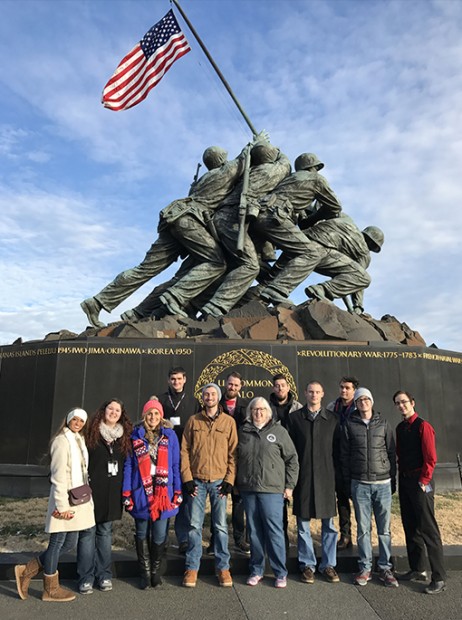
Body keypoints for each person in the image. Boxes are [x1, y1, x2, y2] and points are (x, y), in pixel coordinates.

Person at [80, 143, 248, 327]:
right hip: (190, 221)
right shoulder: (222, 173)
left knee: (145, 269)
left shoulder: (200, 182)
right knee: (216, 262)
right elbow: (243, 160)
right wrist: (255, 143)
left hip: (173, 218)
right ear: (221, 160)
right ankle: (176, 297)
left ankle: (97, 302)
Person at [15, 408, 95, 602]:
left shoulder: (79, 440)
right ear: (67, 420)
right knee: (58, 542)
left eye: (81, 421)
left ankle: (27, 570)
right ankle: (50, 589)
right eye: (74, 419)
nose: (77, 423)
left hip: (77, 501)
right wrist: (62, 507)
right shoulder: (61, 441)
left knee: (69, 543)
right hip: (64, 500)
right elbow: (59, 476)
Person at [251, 153, 342, 305]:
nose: (317, 171)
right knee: (311, 253)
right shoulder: (316, 179)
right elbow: (335, 206)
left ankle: (261, 288)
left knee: (252, 261)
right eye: (316, 168)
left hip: (257, 215)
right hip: (274, 217)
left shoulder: (289, 179)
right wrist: (313, 219)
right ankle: (276, 290)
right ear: (312, 167)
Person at [236, 397, 299, 588]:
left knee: (274, 532)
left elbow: (292, 460)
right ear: (250, 412)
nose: (258, 412)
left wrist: (289, 486)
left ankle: (280, 572)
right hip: (249, 489)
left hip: (272, 490)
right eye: (255, 409)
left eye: (262, 409)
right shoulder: (243, 431)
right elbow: (235, 457)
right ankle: (256, 570)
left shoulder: (279, 432)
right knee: (254, 532)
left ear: (268, 412)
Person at [181, 383, 238, 588]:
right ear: (203, 398)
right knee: (194, 526)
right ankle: (192, 567)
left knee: (221, 526)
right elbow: (184, 450)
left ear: (218, 397)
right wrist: (187, 478)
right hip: (196, 481)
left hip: (219, 482)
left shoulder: (228, 422)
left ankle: (223, 568)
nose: (210, 397)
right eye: (206, 394)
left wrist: (229, 481)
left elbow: (233, 454)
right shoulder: (193, 420)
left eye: (213, 394)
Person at [122, 399, 182, 589]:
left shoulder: (170, 435)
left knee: (159, 534)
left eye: (156, 414)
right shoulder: (135, 436)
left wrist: (178, 490)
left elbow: (175, 465)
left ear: (161, 416)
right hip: (141, 491)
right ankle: (145, 572)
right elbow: (129, 465)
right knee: (141, 532)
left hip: (164, 492)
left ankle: (156, 571)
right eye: (150, 414)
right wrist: (126, 492)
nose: (153, 417)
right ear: (144, 416)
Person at [341, 388, 398, 587]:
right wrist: (349, 483)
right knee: (363, 529)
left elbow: (391, 452)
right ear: (355, 404)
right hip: (360, 484)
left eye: (366, 399)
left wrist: (392, 480)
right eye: (360, 400)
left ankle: (385, 567)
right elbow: (345, 457)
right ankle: (365, 568)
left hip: (382, 483)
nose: (363, 402)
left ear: (371, 401)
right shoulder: (349, 425)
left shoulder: (384, 424)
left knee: (384, 530)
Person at [77, 398, 133, 594]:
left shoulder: (124, 437)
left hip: (112, 494)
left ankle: (104, 575)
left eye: (118, 410)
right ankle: (85, 577)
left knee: (105, 533)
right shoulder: (91, 433)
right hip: (92, 492)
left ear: (121, 414)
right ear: (104, 410)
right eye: (111, 408)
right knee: (87, 534)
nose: (114, 412)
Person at [393, 390, 447, 594]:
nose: (401, 406)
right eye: (397, 403)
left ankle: (439, 577)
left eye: (404, 402)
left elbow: (431, 458)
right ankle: (418, 569)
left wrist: (424, 482)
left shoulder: (423, 426)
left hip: (420, 481)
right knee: (411, 526)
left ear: (412, 403)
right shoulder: (400, 428)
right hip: (406, 480)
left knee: (428, 528)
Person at [287, 381, 340, 585]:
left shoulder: (333, 419)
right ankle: (307, 565)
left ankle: (328, 564)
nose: (314, 395)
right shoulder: (294, 419)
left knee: (329, 526)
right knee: (303, 525)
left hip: (327, 479)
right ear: (305, 394)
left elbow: (337, 451)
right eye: (311, 392)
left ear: (323, 394)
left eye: (318, 392)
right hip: (304, 479)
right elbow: (290, 453)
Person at [157, 366, 200, 554]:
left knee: (182, 496)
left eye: (179, 379)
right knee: (164, 494)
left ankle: (182, 538)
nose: (176, 382)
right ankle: (161, 538)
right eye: (173, 379)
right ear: (168, 381)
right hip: (165, 453)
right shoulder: (161, 400)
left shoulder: (193, 402)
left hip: (185, 454)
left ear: (185, 380)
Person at [210, 372, 250, 555]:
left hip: (238, 460)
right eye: (230, 384)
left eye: (236, 385)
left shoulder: (246, 407)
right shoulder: (215, 405)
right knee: (216, 502)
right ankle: (214, 540)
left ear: (240, 387)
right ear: (225, 384)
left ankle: (239, 539)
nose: (232, 387)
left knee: (239, 503)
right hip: (218, 458)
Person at [269, 373, 302, 546]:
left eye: (283, 385)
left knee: (294, 499)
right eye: (277, 385)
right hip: (273, 461)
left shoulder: (298, 408)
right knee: (277, 502)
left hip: (292, 459)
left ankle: (294, 536)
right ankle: (280, 537)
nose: (280, 388)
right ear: (273, 388)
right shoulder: (266, 407)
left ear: (288, 387)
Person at [327, 376, 359, 551]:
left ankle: (363, 535)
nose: (344, 391)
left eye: (347, 388)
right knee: (342, 500)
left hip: (355, 461)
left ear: (354, 390)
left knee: (359, 501)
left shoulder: (360, 406)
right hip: (337, 459)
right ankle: (345, 535)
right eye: (341, 387)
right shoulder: (332, 407)